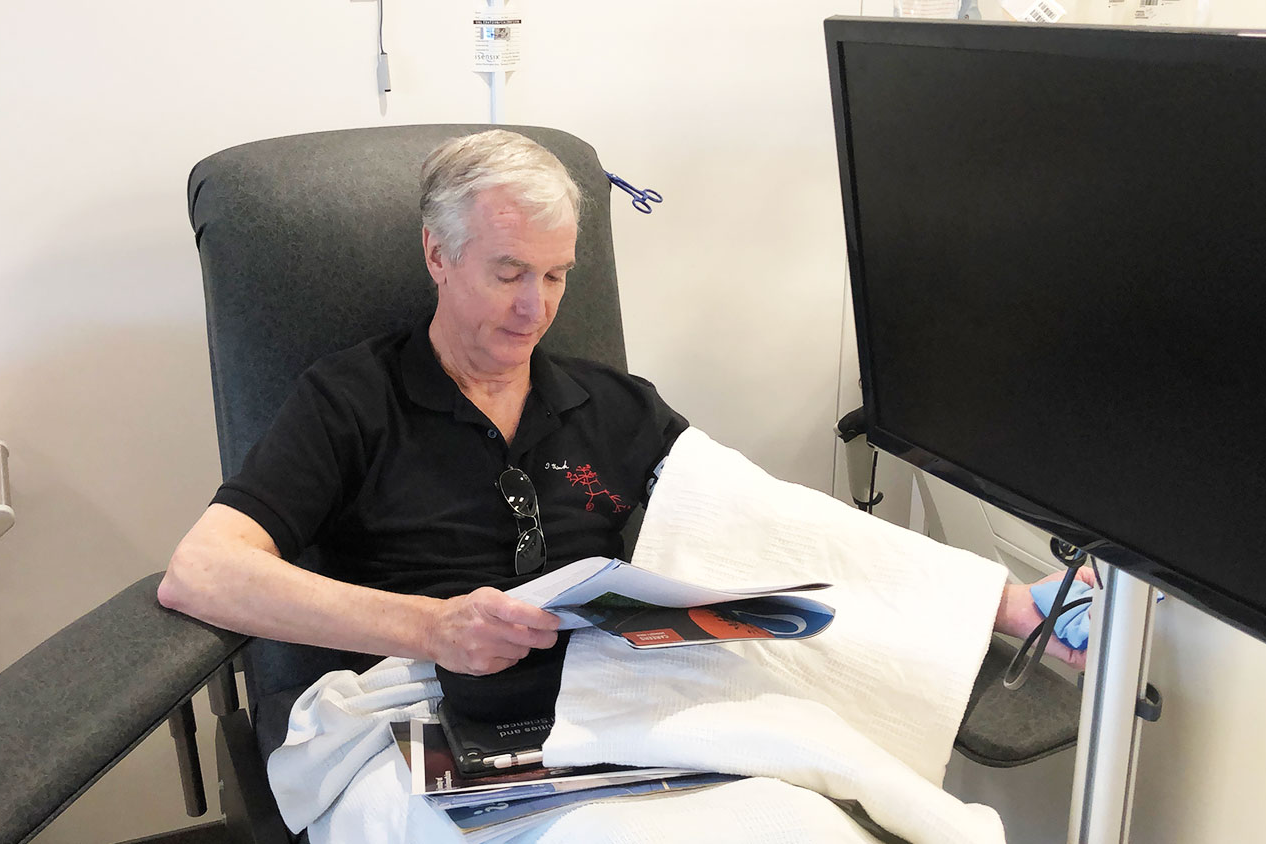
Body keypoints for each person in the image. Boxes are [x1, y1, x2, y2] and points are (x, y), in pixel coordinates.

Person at [157, 129, 1090, 683]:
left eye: (559, 275)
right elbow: (201, 573)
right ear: (438, 258)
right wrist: (432, 628)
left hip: (613, 702)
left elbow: (773, 520)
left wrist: (1003, 602)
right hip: (421, 707)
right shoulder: (351, 399)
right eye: (509, 272)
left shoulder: (610, 405)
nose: (537, 308)